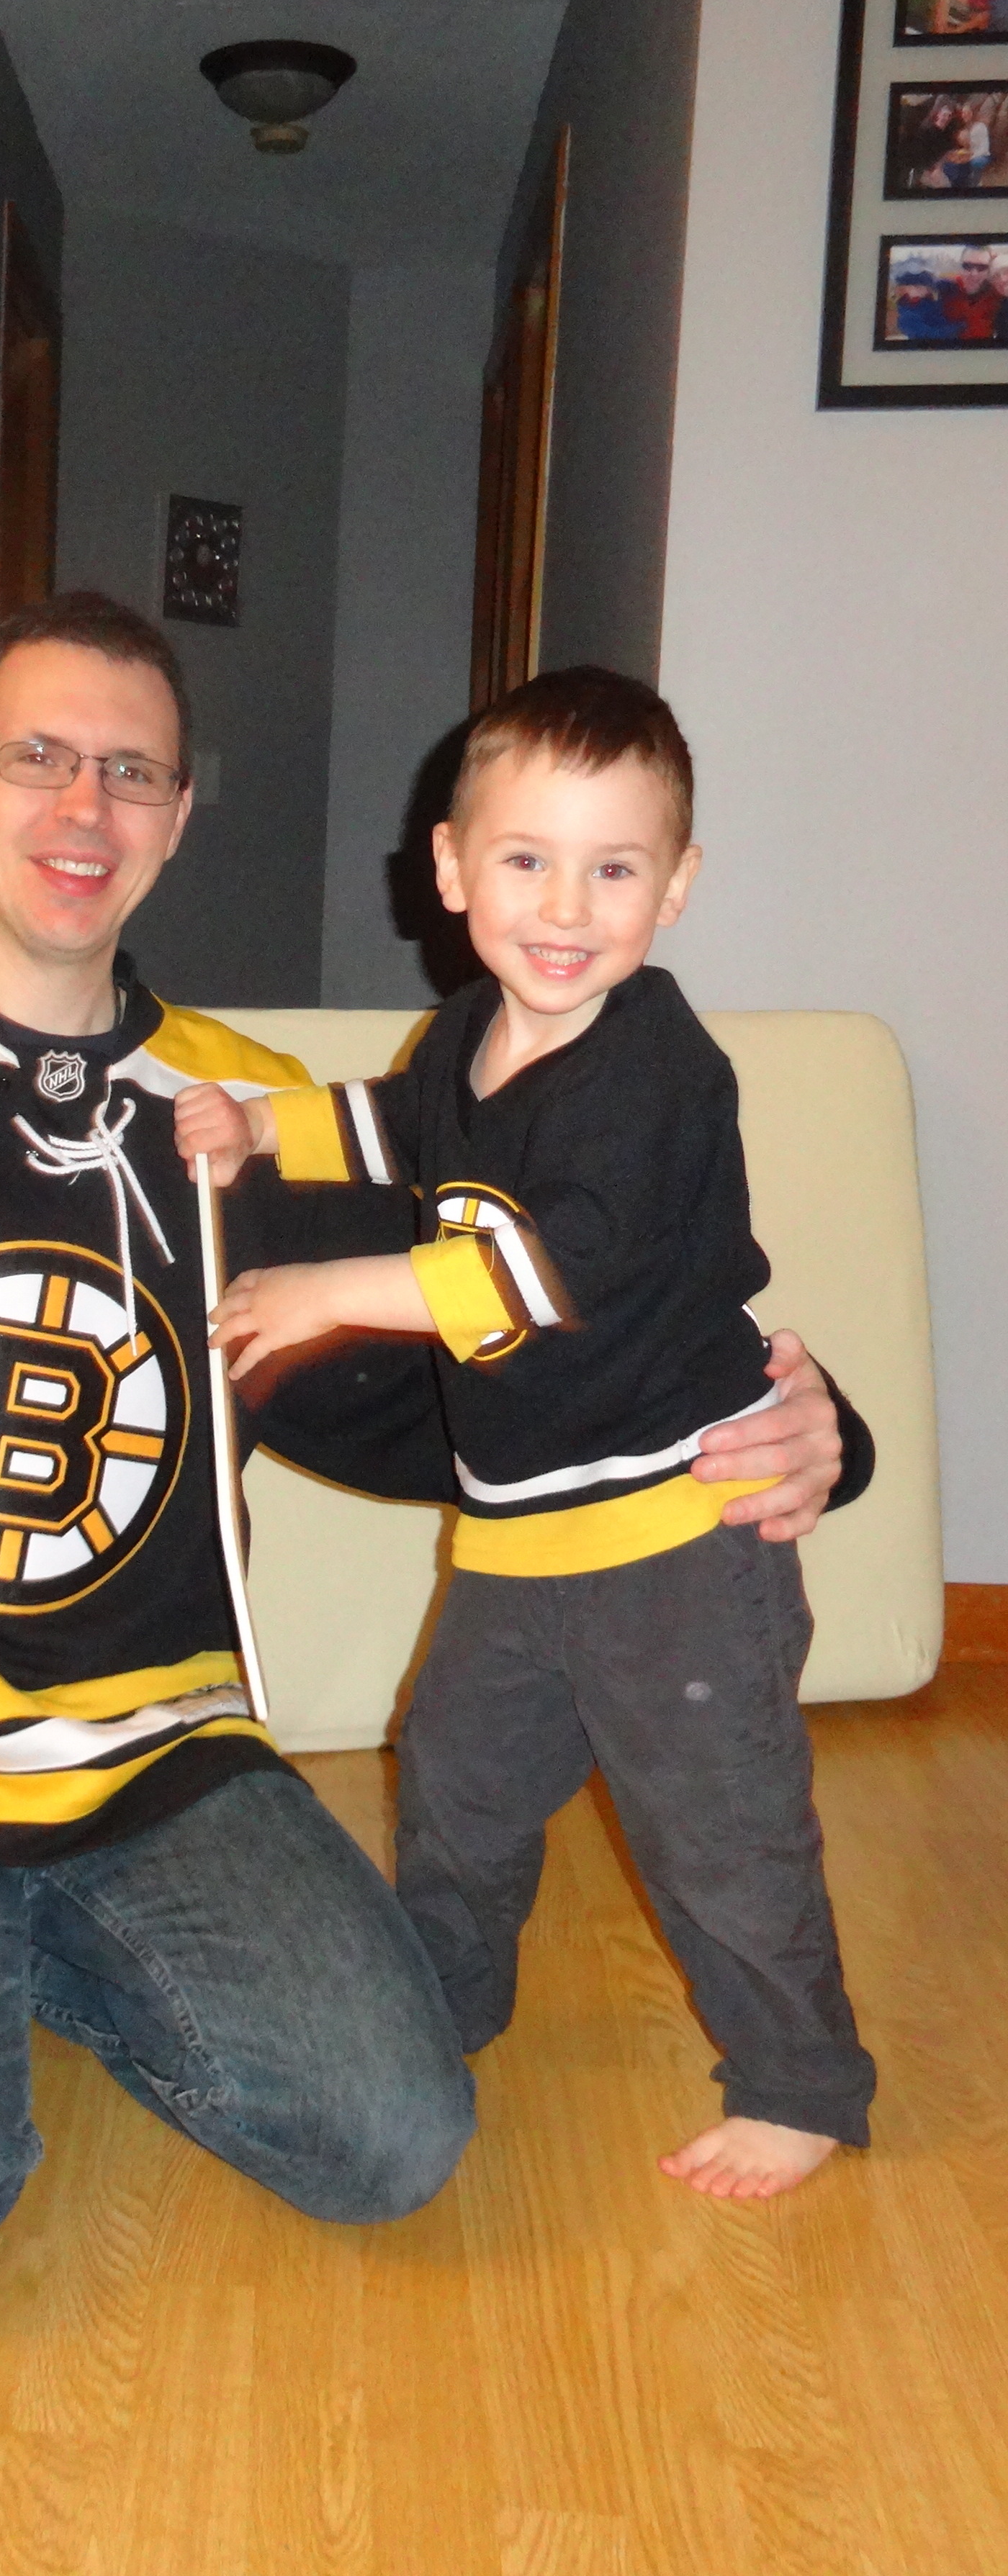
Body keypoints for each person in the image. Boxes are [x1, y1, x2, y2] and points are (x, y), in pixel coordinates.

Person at [0, 194, 863, 2292]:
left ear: (182, 817)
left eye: (132, 770)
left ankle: (12, 1950)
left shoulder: (233, 1109)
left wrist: (766, 1417)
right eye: (35, 753)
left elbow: (466, 1388)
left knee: (397, 2134)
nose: (83, 804)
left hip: (152, 1753)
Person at [174, 669, 876, 2203]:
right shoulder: (465, 1037)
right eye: (525, 860)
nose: (566, 908)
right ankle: (440, 1998)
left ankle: (798, 2081)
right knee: (455, 1782)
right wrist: (261, 1123)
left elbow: (538, 1272)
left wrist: (327, 1291)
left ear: (675, 888)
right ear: (450, 869)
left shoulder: (656, 1076)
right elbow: (392, 1128)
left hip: (677, 1538)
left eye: (613, 868)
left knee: (719, 1826)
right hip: (514, 1537)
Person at [943, 244, 1001, 338]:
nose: (974, 274)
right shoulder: (945, 290)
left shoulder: (998, 295)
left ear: (990, 270)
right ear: (960, 267)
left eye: (982, 268)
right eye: (968, 266)